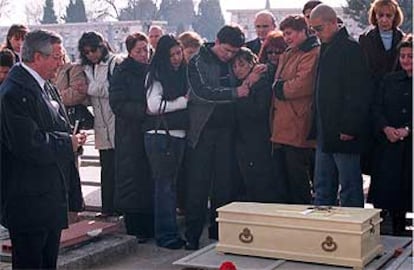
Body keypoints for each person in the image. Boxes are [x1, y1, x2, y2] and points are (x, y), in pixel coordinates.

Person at [0, 29, 86, 269]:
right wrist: (67, 143)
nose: (60, 63)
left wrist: (73, 141)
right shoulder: (14, 92)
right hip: (28, 200)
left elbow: (57, 127)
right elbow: (28, 144)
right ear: (37, 57)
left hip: (49, 196)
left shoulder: (45, 86)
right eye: (56, 57)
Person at [185, 24, 259, 250]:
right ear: (216, 42)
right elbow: (201, 92)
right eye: (226, 50)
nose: (229, 56)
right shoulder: (197, 61)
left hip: (228, 131)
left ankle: (220, 233)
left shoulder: (234, 60)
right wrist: (235, 93)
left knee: (224, 185)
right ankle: (192, 235)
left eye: (233, 53)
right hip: (203, 131)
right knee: (198, 185)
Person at [309, 4, 372, 207]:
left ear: (333, 22)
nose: (316, 34)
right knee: (322, 186)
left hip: (344, 131)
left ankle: (353, 234)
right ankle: (323, 233)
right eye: (313, 30)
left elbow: (359, 92)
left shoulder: (350, 48)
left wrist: (349, 126)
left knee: (350, 188)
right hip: (325, 130)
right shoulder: (327, 47)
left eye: (318, 29)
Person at [143, 35, 188, 249]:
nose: (177, 58)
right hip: (160, 136)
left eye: (179, 53)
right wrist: (182, 102)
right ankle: (166, 235)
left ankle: (170, 232)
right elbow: (153, 106)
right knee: (164, 188)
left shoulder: (182, 73)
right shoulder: (156, 74)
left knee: (170, 187)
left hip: (177, 135)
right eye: (172, 55)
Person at [109, 32, 154, 242]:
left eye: (146, 49)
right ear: (130, 51)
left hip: (149, 129)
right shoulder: (122, 70)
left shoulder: (152, 68)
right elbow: (117, 103)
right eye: (139, 50)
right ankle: (135, 228)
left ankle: (149, 225)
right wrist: (143, 109)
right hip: (130, 132)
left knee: (148, 178)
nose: (144, 54)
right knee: (132, 179)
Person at [271, 15, 320, 204]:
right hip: (284, 123)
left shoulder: (312, 52)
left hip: (298, 123)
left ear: (303, 31)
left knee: (298, 179)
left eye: (290, 33)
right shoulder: (291, 51)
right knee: (284, 179)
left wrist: (279, 88)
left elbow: (302, 84)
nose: (286, 37)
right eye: (284, 33)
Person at [368, 34, 412, 236]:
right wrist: (386, 128)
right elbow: (376, 108)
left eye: (410, 56)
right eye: (403, 55)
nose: (406, 60)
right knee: (393, 194)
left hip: (410, 145)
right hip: (390, 145)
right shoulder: (389, 80)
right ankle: (396, 230)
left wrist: (408, 129)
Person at [78, 31, 122, 217]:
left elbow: (114, 89)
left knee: (119, 168)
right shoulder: (87, 68)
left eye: (93, 50)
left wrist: (90, 89)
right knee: (106, 168)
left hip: (116, 120)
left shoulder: (114, 62)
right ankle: (107, 208)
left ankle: (120, 207)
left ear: (102, 46)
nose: (91, 55)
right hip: (100, 123)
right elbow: (90, 97)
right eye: (86, 52)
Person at [358, 0, 405, 175]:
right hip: (373, 99)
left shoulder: (403, 39)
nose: (384, 20)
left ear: (395, 17)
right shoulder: (365, 39)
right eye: (380, 15)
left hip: (397, 99)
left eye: (388, 16)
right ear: (375, 17)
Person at [231, 47, 276, 203]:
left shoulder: (261, 84)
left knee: (260, 184)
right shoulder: (235, 85)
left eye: (241, 65)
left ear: (252, 63)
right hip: (242, 140)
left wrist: (244, 94)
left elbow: (259, 111)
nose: (237, 69)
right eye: (234, 66)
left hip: (258, 140)